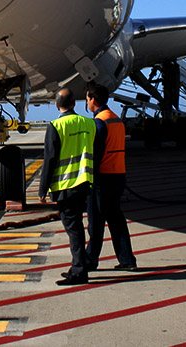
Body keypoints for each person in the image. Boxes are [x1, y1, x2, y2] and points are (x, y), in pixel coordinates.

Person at [39, 88, 97, 286]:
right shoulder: (90, 123)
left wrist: (43, 189)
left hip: (65, 186)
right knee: (78, 228)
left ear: (57, 105)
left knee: (74, 230)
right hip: (84, 183)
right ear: (75, 103)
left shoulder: (56, 125)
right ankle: (78, 266)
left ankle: (79, 271)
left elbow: (50, 159)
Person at [85, 83, 138, 272]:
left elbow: (96, 153)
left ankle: (90, 260)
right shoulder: (115, 119)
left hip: (103, 178)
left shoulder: (99, 121)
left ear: (93, 99)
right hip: (118, 174)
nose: (87, 102)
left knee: (96, 222)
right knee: (116, 219)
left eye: (87, 98)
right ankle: (127, 260)